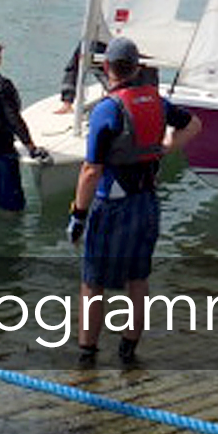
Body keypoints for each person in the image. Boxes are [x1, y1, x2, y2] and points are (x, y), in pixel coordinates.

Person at [69, 37, 202, 366]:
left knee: (93, 282)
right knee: (137, 279)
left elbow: (91, 170)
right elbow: (195, 125)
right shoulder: (157, 101)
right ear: (138, 67)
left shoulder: (108, 110)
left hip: (112, 206)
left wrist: (78, 214)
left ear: (107, 67)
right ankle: (128, 351)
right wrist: (166, 148)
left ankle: (87, 354)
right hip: (147, 203)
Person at [0, 36, 50, 212]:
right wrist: (31, 147)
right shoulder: (1, 84)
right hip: (2, 155)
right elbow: (13, 118)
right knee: (11, 211)